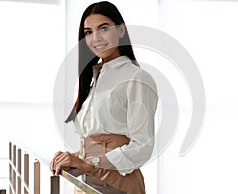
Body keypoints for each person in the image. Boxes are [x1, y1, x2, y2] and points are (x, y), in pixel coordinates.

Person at [50, 1, 158, 194]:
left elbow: (143, 145)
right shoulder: (96, 78)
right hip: (88, 182)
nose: (95, 38)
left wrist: (88, 164)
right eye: (88, 32)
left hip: (117, 183)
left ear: (121, 30)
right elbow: (96, 143)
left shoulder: (136, 78)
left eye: (104, 28)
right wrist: (71, 159)